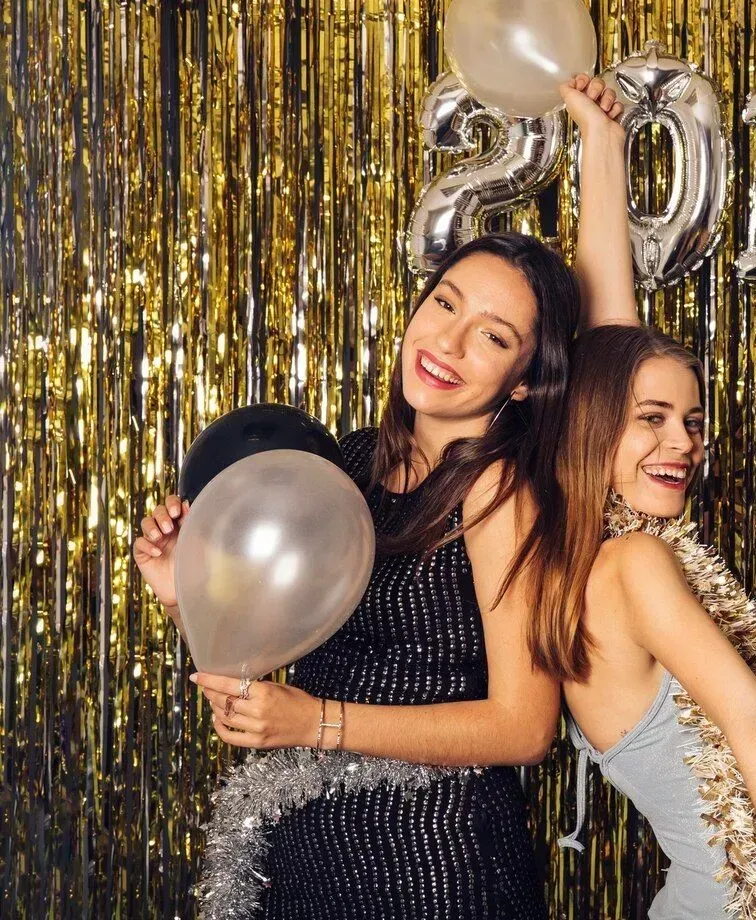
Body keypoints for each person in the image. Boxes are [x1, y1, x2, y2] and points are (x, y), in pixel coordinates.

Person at [132, 77, 627, 920]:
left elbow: (523, 726)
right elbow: (272, 665)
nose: (449, 341)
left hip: (434, 866)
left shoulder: (499, 490)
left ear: (521, 385)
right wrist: (188, 597)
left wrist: (602, 149)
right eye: (445, 305)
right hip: (307, 853)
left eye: (494, 337)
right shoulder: (342, 461)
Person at [528, 80, 756, 920]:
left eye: (694, 423)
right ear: (594, 430)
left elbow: (609, 344)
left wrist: (602, 145)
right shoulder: (630, 563)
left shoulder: (596, 556)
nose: (684, 443)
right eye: (654, 422)